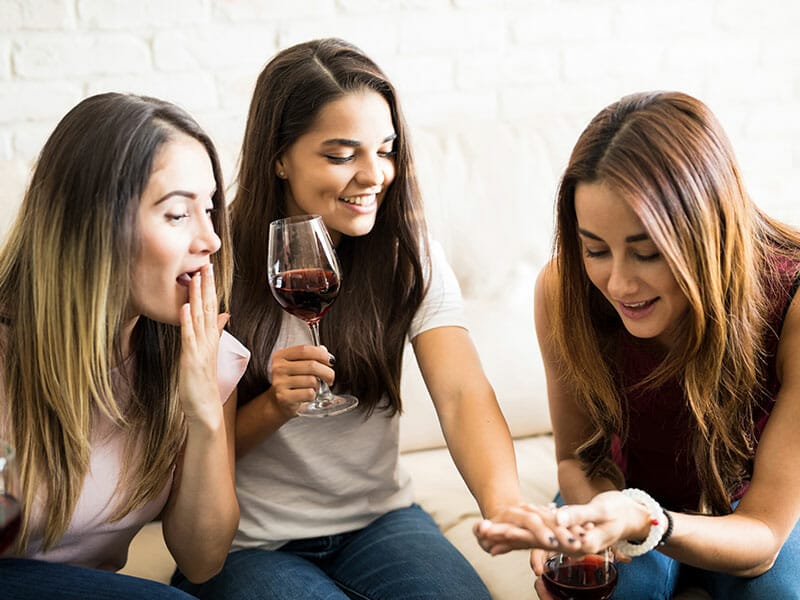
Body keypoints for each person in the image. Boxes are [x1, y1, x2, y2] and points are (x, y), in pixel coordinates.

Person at [172, 37, 522, 599]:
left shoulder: (407, 254)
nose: (374, 175)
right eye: (341, 155)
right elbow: (193, 450)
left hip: (379, 520)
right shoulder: (218, 262)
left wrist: (504, 505)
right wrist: (275, 406)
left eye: (384, 150)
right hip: (253, 543)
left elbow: (461, 393)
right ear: (279, 157)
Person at [474, 91, 800, 598]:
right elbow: (578, 460)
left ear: (706, 233)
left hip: (747, 512)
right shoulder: (564, 289)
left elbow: (763, 537)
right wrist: (601, 518)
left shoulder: (792, 296)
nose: (619, 284)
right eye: (595, 249)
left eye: (647, 253)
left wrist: (649, 522)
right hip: (616, 495)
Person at [0, 92, 250, 599]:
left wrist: (203, 413)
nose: (212, 240)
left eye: (210, 208)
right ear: (92, 225)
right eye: (178, 215)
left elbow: (202, 562)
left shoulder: (205, 355)